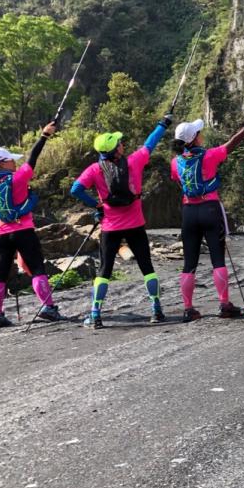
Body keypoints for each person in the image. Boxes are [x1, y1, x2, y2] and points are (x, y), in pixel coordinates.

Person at [70, 115, 172, 328]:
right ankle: (156, 310)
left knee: (104, 270)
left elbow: (76, 189)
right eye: (119, 143)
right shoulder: (134, 161)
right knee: (147, 266)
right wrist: (163, 124)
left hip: (110, 226)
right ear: (116, 150)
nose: (122, 144)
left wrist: (97, 205)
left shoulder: (94, 169)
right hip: (136, 224)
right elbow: (150, 143)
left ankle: (95, 314)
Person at [170, 116, 244, 322]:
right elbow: (231, 145)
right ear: (194, 138)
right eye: (198, 133)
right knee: (218, 259)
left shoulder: (175, 162)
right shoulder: (209, 156)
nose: (201, 135)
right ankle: (224, 304)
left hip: (189, 211)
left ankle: (188, 309)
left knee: (189, 263)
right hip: (209, 208)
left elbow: (178, 181)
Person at [0, 122, 60, 328]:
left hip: (0, 234)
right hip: (23, 231)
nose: (14, 162)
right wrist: (44, 136)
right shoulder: (18, 178)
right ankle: (48, 308)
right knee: (37, 268)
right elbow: (33, 158)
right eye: (11, 160)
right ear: (3, 163)